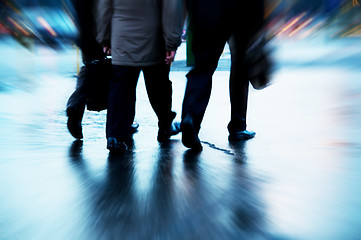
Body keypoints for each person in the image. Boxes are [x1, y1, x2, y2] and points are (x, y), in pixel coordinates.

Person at [96, 0, 184, 152]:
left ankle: (115, 135)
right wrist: (172, 41)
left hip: (121, 37)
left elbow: (104, 7)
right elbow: (172, 8)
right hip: (154, 37)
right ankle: (165, 126)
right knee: (159, 86)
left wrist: (104, 37)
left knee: (121, 87)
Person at [180, 0, 265, 150]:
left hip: (207, 12)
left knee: (203, 67)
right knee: (240, 67)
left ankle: (191, 117)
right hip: (241, 12)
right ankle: (238, 126)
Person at [66, 0, 138, 140]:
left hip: (85, 31)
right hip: (109, 29)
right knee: (125, 72)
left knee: (91, 68)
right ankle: (123, 123)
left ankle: (76, 104)